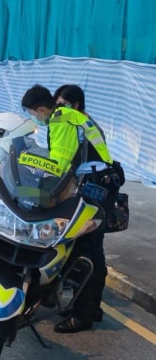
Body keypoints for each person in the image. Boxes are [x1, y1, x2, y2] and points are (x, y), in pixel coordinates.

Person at [21, 84, 120, 333]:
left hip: (94, 188)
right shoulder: (72, 118)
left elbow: (59, 166)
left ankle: (82, 315)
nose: (36, 117)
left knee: (83, 250)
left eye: (35, 113)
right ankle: (91, 308)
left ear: (41, 109)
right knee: (93, 250)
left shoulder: (62, 122)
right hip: (99, 184)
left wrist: (35, 188)